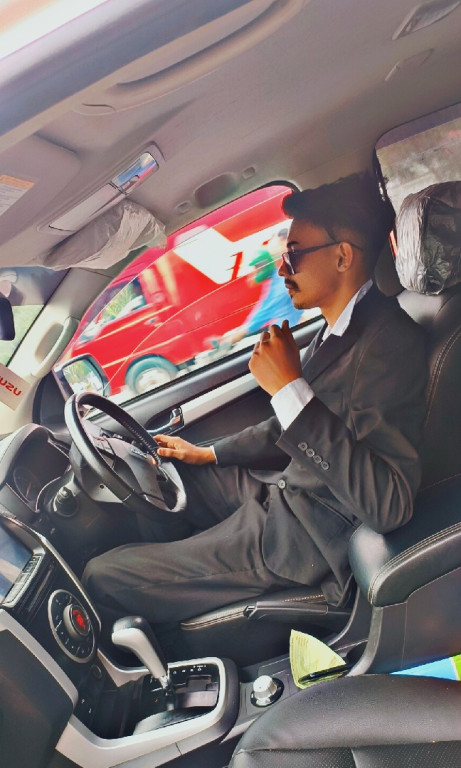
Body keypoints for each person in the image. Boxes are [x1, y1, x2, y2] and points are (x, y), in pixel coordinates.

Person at [82, 172, 427, 630]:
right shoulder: (340, 327)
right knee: (163, 475)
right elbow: (290, 428)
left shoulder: (390, 344)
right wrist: (208, 453)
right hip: (280, 490)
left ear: (343, 256)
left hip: (301, 539)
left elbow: (388, 503)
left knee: (102, 576)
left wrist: (288, 388)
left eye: (294, 254)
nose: (282, 269)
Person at [221, 234, 304, 345]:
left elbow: (264, 311)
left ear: (263, 265)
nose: (253, 273)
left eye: (256, 267)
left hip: (290, 336)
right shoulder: (275, 280)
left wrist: (236, 336)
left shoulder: (280, 283)